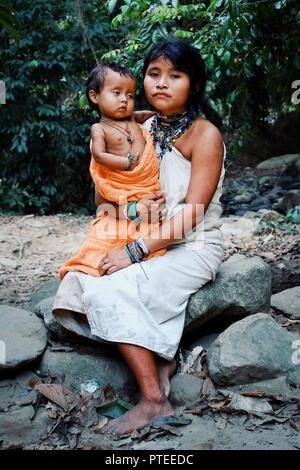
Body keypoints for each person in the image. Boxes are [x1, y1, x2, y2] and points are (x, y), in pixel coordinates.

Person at [53, 37, 226, 437]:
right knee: (80, 279)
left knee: (109, 289)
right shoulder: (137, 126)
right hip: (145, 237)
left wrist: (135, 250)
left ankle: (153, 400)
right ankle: (161, 370)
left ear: (194, 85)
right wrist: (124, 197)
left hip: (192, 245)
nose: (162, 83)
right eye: (153, 74)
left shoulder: (205, 135)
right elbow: (102, 200)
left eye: (175, 76)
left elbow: (194, 215)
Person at [59, 63, 166, 280]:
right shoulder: (99, 128)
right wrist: (124, 163)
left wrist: (154, 113)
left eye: (130, 95)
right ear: (95, 96)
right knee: (108, 230)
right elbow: (99, 155)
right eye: (116, 93)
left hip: (144, 184)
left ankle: (138, 254)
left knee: (149, 224)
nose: (124, 99)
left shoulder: (132, 119)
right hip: (122, 184)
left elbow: (144, 114)